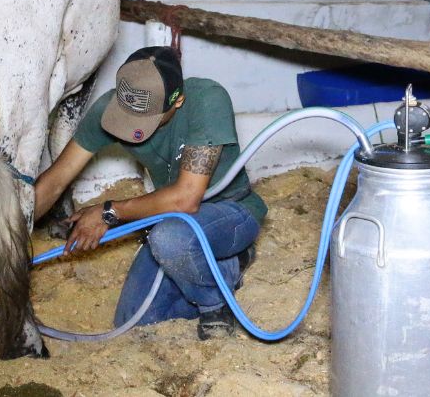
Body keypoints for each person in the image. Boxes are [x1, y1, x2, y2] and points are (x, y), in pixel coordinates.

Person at [34, 46, 267, 340]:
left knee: (169, 238)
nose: (130, 124)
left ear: (177, 101)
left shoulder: (207, 99)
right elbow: (54, 182)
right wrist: (2, 246)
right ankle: (217, 270)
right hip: (174, 221)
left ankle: (216, 303)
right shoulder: (108, 108)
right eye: (125, 113)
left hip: (231, 212)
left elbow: (186, 198)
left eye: (143, 117)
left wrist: (109, 212)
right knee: (135, 320)